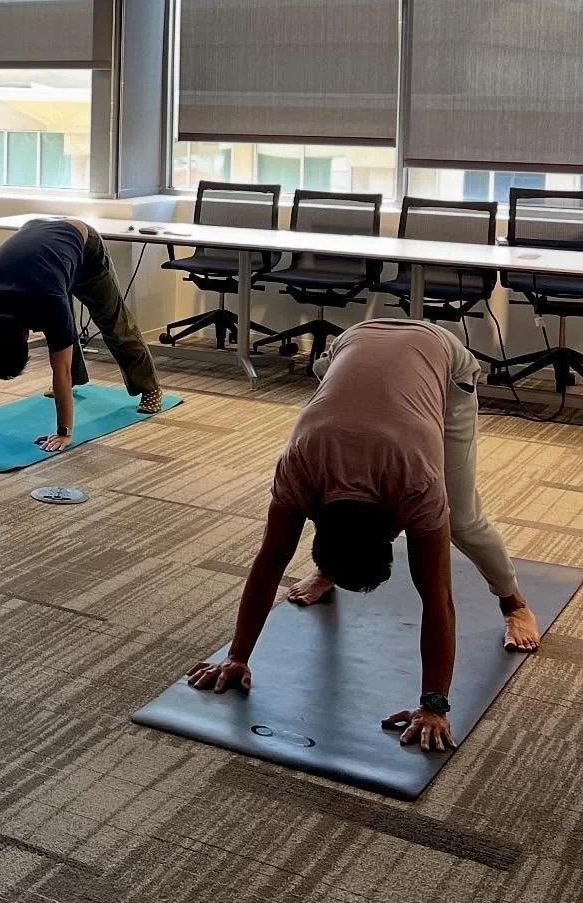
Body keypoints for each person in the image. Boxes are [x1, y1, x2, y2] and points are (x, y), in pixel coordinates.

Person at [187, 317, 540, 752]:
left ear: (397, 527)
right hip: (352, 340)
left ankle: (514, 602)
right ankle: (328, 571)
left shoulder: (417, 483)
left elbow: (437, 597)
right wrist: (237, 656)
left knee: (463, 522)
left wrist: (434, 705)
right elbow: (270, 561)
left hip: (442, 359)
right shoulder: (301, 464)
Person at [0, 216, 161, 453]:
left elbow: (61, 369)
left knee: (113, 323)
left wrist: (64, 433)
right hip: (44, 252)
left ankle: (149, 387)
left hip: (83, 245)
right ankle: (78, 381)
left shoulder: (48, 300)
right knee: (62, 332)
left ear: (26, 336)